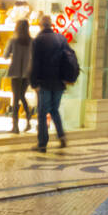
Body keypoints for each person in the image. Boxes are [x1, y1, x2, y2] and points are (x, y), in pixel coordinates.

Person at [29, 16, 70, 152]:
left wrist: (34, 82)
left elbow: (35, 63)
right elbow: (68, 58)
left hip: (44, 82)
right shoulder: (61, 38)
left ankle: (42, 144)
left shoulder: (38, 41)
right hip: (59, 82)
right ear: (51, 25)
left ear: (41, 25)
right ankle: (62, 136)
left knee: (42, 112)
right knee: (54, 110)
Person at [4, 19, 34, 134]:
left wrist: (12, 54)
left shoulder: (13, 40)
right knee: (22, 95)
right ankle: (28, 121)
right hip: (27, 73)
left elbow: (5, 55)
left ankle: (15, 126)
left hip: (15, 72)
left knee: (16, 98)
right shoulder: (31, 41)